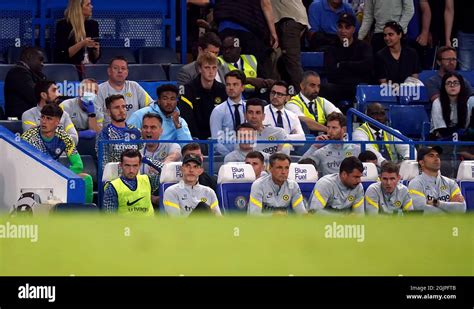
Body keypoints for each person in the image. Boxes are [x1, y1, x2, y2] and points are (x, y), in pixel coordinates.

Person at [21, 104, 93, 203]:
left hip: (55, 175)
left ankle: (85, 214)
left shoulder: (64, 137)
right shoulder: (28, 137)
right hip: (33, 174)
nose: (44, 121)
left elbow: (78, 165)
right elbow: (22, 163)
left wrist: (60, 175)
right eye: (42, 117)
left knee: (86, 179)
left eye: (49, 118)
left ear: (57, 121)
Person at [320, 13, 373, 112]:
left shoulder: (363, 46)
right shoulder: (331, 48)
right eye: (340, 27)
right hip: (338, 85)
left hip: (357, 85)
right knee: (325, 88)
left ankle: (361, 120)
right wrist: (355, 67)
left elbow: (367, 66)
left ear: (353, 29)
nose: (343, 31)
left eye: (347, 27)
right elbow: (331, 73)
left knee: (363, 88)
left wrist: (343, 65)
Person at [213, 0, 279, 78]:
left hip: (225, 27)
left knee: (224, 64)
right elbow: (266, 4)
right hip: (248, 27)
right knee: (255, 65)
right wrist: (273, 32)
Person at [178, 52, 227, 140]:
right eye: (207, 67)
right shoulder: (188, 90)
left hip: (218, 139)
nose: (211, 71)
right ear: (200, 69)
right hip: (195, 139)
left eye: (214, 68)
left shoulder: (223, 90)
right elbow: (187, 119)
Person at [408, 146, 466, 213]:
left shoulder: (451, 183)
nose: (436, 158)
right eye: (431, 156)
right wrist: (450, 208)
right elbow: (422, 209)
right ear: (422, 162)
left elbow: (461, 209)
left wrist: (437, 203)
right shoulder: (415, 183)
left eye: (437, 155)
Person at [96, 56, 152, 124]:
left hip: (133, 131)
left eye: (123, 68)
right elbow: (97, 118)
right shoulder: (100, 90)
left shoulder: (134, 86)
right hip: (109, 131)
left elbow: (151, 106)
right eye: (116, 68)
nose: (120, 71)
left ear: (127, 72)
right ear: (109, 71)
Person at [302, 112, 360, 177]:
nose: (330, 131)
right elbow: (300, 167)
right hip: (329, 185)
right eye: (328, 127)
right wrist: (314, 146)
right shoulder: (322, 152)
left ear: (343, 129)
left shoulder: (356, 149)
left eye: (334, 128)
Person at [103, 149, 158, 216]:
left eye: (135, 165)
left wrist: (147, 160)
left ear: (140, 165)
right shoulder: (112, 187)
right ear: (121, 165)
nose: (131, 170)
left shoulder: (147, 180)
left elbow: (167, 171)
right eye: (127, 165)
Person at [128, 84, 192, 141]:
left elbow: (188, 147)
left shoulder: (179, 121)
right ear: (158, 101)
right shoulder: (140, 115)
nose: (169, 102)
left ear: (176, 101)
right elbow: (127, 138)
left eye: (172, 99)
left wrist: (178, 126)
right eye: (165, 99)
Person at [22, 80, 79, 145]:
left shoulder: (64, 114)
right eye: (54, 90)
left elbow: (74, 139)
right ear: (43, 95)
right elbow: (34, 139)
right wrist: (62, 136)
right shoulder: (28, 115)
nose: (59, 94)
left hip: (63, 155)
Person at [96, 94, 141, 168]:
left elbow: (142, 155)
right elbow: (104, 163)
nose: (121, 110)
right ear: (108, 111)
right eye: (116, 108)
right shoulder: (104, 134)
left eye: (123, 107)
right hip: (114, 175)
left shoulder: (136, 131)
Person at [271, 0, 308, 91]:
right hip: (294, 19)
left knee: (292, 63)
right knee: (282, 61)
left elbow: (266, 4)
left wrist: (272, 32)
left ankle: (306, 98)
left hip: (289, 20)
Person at [210, 70, 247, 155]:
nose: (231, 88)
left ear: (242, 87)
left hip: (249, 156)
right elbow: (216, 141)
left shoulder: (250, 109)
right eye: (228, 84)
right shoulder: (218, 111)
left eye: (235, 84)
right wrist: (231, 156)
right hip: (226, 157)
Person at [4, 47, 46, 119]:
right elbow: (34, 96)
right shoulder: (18, 72)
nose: (42, 64)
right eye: (40, 60)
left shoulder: (36, 74)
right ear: (29, 56)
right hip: (20, 120)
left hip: (32, 117)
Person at [430, 72, 474, 140]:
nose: (452, 85)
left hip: (463, 139)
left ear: (461, 85)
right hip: (441, 139)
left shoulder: (468, 102)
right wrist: (461, 132)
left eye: (456, 83)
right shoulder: (437, 102)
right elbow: (441, 130)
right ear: (444, 86)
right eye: (449, 83)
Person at [55, 0, 100, 65]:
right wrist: (82, 44)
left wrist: (97, 51)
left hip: (88, 68)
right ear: (78, 8)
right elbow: (62, 55)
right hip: (69, 68)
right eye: (88, 5)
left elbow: (95, 58)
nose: (91, 6)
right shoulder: (63, 25)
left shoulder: (93, 25)